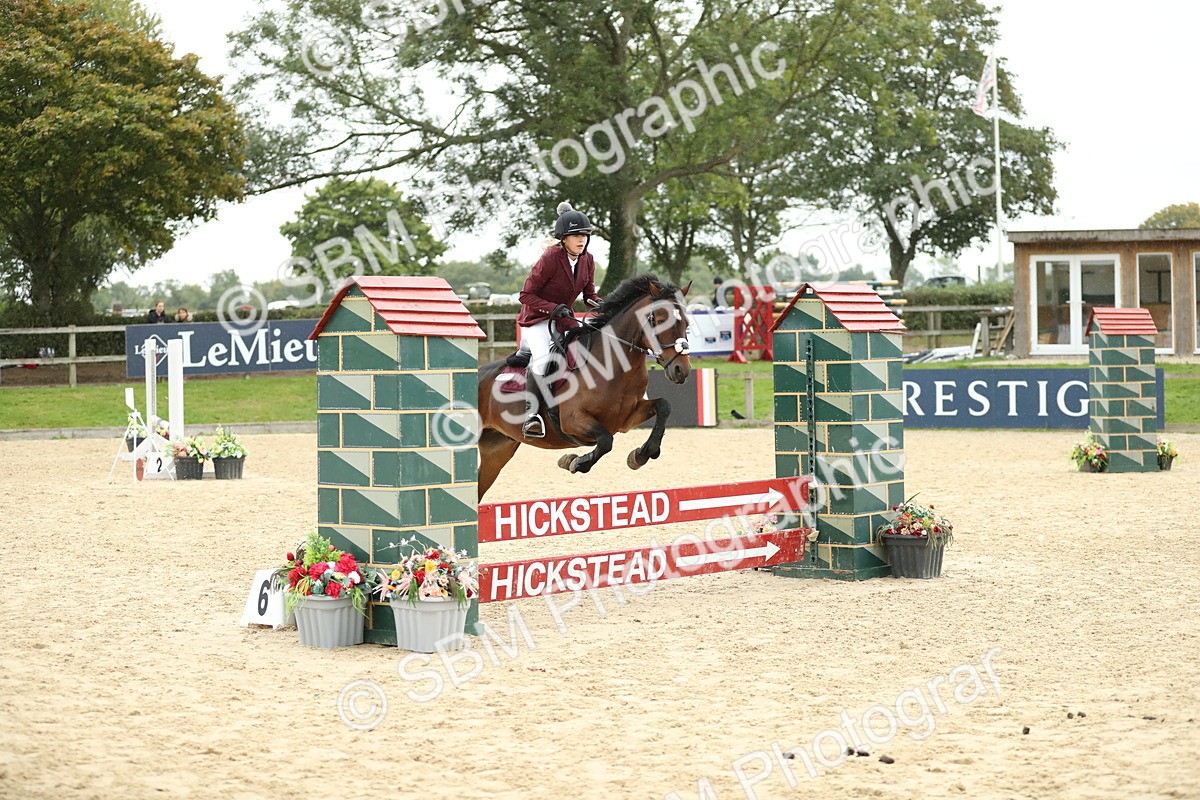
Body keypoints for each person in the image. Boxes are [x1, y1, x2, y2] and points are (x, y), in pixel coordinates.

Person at [515, 201, 603, 438]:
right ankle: (531, 416)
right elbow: (526, 295)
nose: (581, 239)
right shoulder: (551, 258)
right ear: (564, 239)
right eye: (576, 235)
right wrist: (554, 309)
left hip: (564, 320)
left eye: (584, 235)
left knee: (587, 349)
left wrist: (602, 304)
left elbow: (589, 295)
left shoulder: (587, 259)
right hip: (536, 320)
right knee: (544, 359)